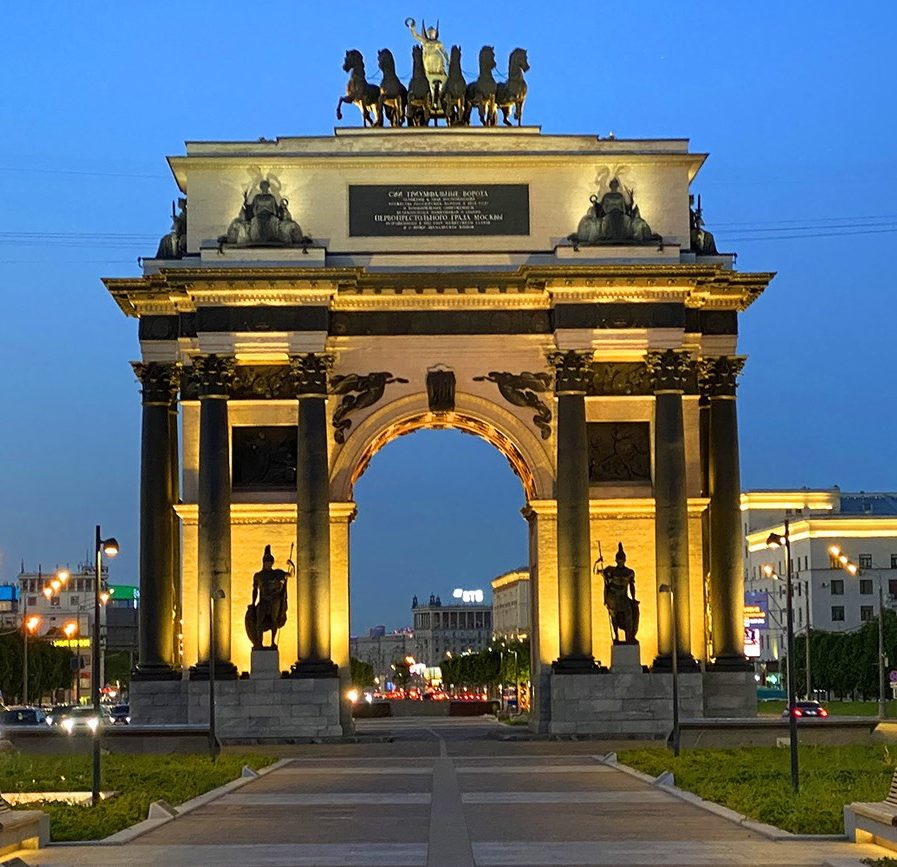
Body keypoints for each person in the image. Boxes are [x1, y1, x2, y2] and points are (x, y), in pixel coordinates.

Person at [245, 545, 293, 649]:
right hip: (263, 601)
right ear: (264, 562)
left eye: (270, 562)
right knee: (259, 621)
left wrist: (291, 565)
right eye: (267, 562)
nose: (268, 564)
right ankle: (259, 643)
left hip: (274, 601)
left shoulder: (277, 573)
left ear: (272, 563)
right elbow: (255, 590)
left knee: (274, 621)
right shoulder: (258, 575)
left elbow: (290, 575)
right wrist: (253, 603)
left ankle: (272, 642)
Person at [602, 543, 640, 643]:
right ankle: (616, 637)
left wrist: (634, 598)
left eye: (621, 560)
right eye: (618, 560)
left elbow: (632, 586)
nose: (620, 562)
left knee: (629, 614)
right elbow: (598, 572)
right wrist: (599, 563)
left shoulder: (629, 572)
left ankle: (629, 636)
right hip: (613, 598)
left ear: (624, 560)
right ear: (616, 560)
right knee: (613, 617)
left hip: (623, 597)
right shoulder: (611, 571)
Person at [406, 17, 448, 96]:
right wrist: (412, 28)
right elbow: (416, 36)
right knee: (427, 58)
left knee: (437, 56)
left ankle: (440, 72)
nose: (431, 34)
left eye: (433, 33)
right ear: (428, 34)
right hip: (427, 59)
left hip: (437, 59)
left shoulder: (438, 42)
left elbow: (444, 52)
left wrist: (448, 60)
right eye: (430, 33)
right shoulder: (425, 41)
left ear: (435, 34)